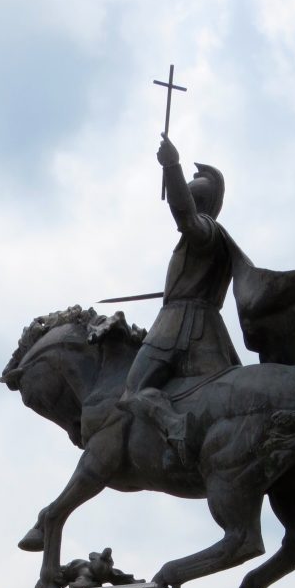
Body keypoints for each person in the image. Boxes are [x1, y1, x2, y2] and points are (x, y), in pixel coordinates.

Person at [119, 133, 241, 458]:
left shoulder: (203, 229)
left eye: (192, 184)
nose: (187, 184)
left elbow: (184, 216)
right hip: (210, 329)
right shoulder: (213, 239)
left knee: (132, 392)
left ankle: (173, 425)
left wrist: (171, 166)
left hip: (179, 326)